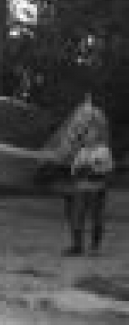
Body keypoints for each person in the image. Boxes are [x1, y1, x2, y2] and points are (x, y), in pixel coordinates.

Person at [61, 96, 114, 256]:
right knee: (77, 216)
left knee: (96, 218)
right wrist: (79, 167)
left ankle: (95, 248)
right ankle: (77, 246)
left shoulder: (103, 150)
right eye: (86, 134)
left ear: (97, 135)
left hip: (97, 189)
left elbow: (106, 167)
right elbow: (74, 168)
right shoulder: (82, 151)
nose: (87, 136)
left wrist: (91, 166)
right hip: (81, 188)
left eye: (91, 133)